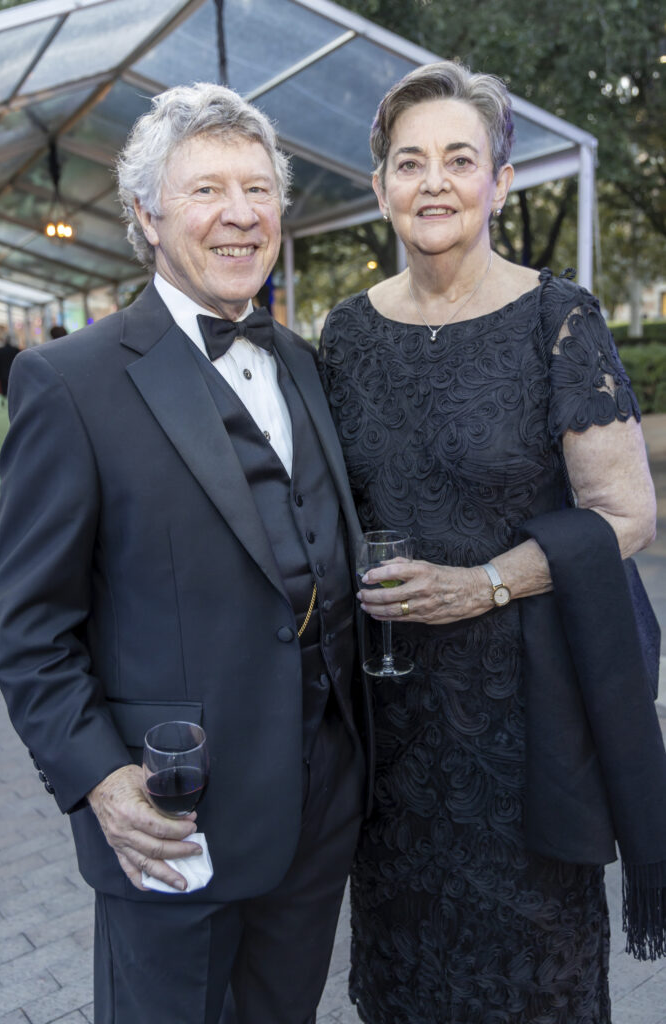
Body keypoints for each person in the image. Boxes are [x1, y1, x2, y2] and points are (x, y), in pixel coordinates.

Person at [0, 82, 368, 1024]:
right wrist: (101, 780)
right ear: (146, 217)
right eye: (206, 191)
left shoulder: (304, 363)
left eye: (258, 189)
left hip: (318, 809)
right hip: (171, 816)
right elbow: (31, 626)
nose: (239, 214)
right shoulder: (67, 381)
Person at [320, 60, 662, 1023]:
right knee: (403, 979)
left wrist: (486, 584)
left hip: (528, 726)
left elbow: (626, 515)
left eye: (458, 160)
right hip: (394, 732)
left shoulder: (561, 319)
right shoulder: (343, 335)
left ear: (499, 183)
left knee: (533, 982)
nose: (433, 183)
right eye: (409, 162)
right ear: (379, 184)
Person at [0, 333, 20, 399]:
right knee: (12, 389)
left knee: (4, 388)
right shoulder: (15, 350)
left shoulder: (0, 350)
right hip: (14, 372)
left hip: (3, 373)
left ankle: (4, 400)